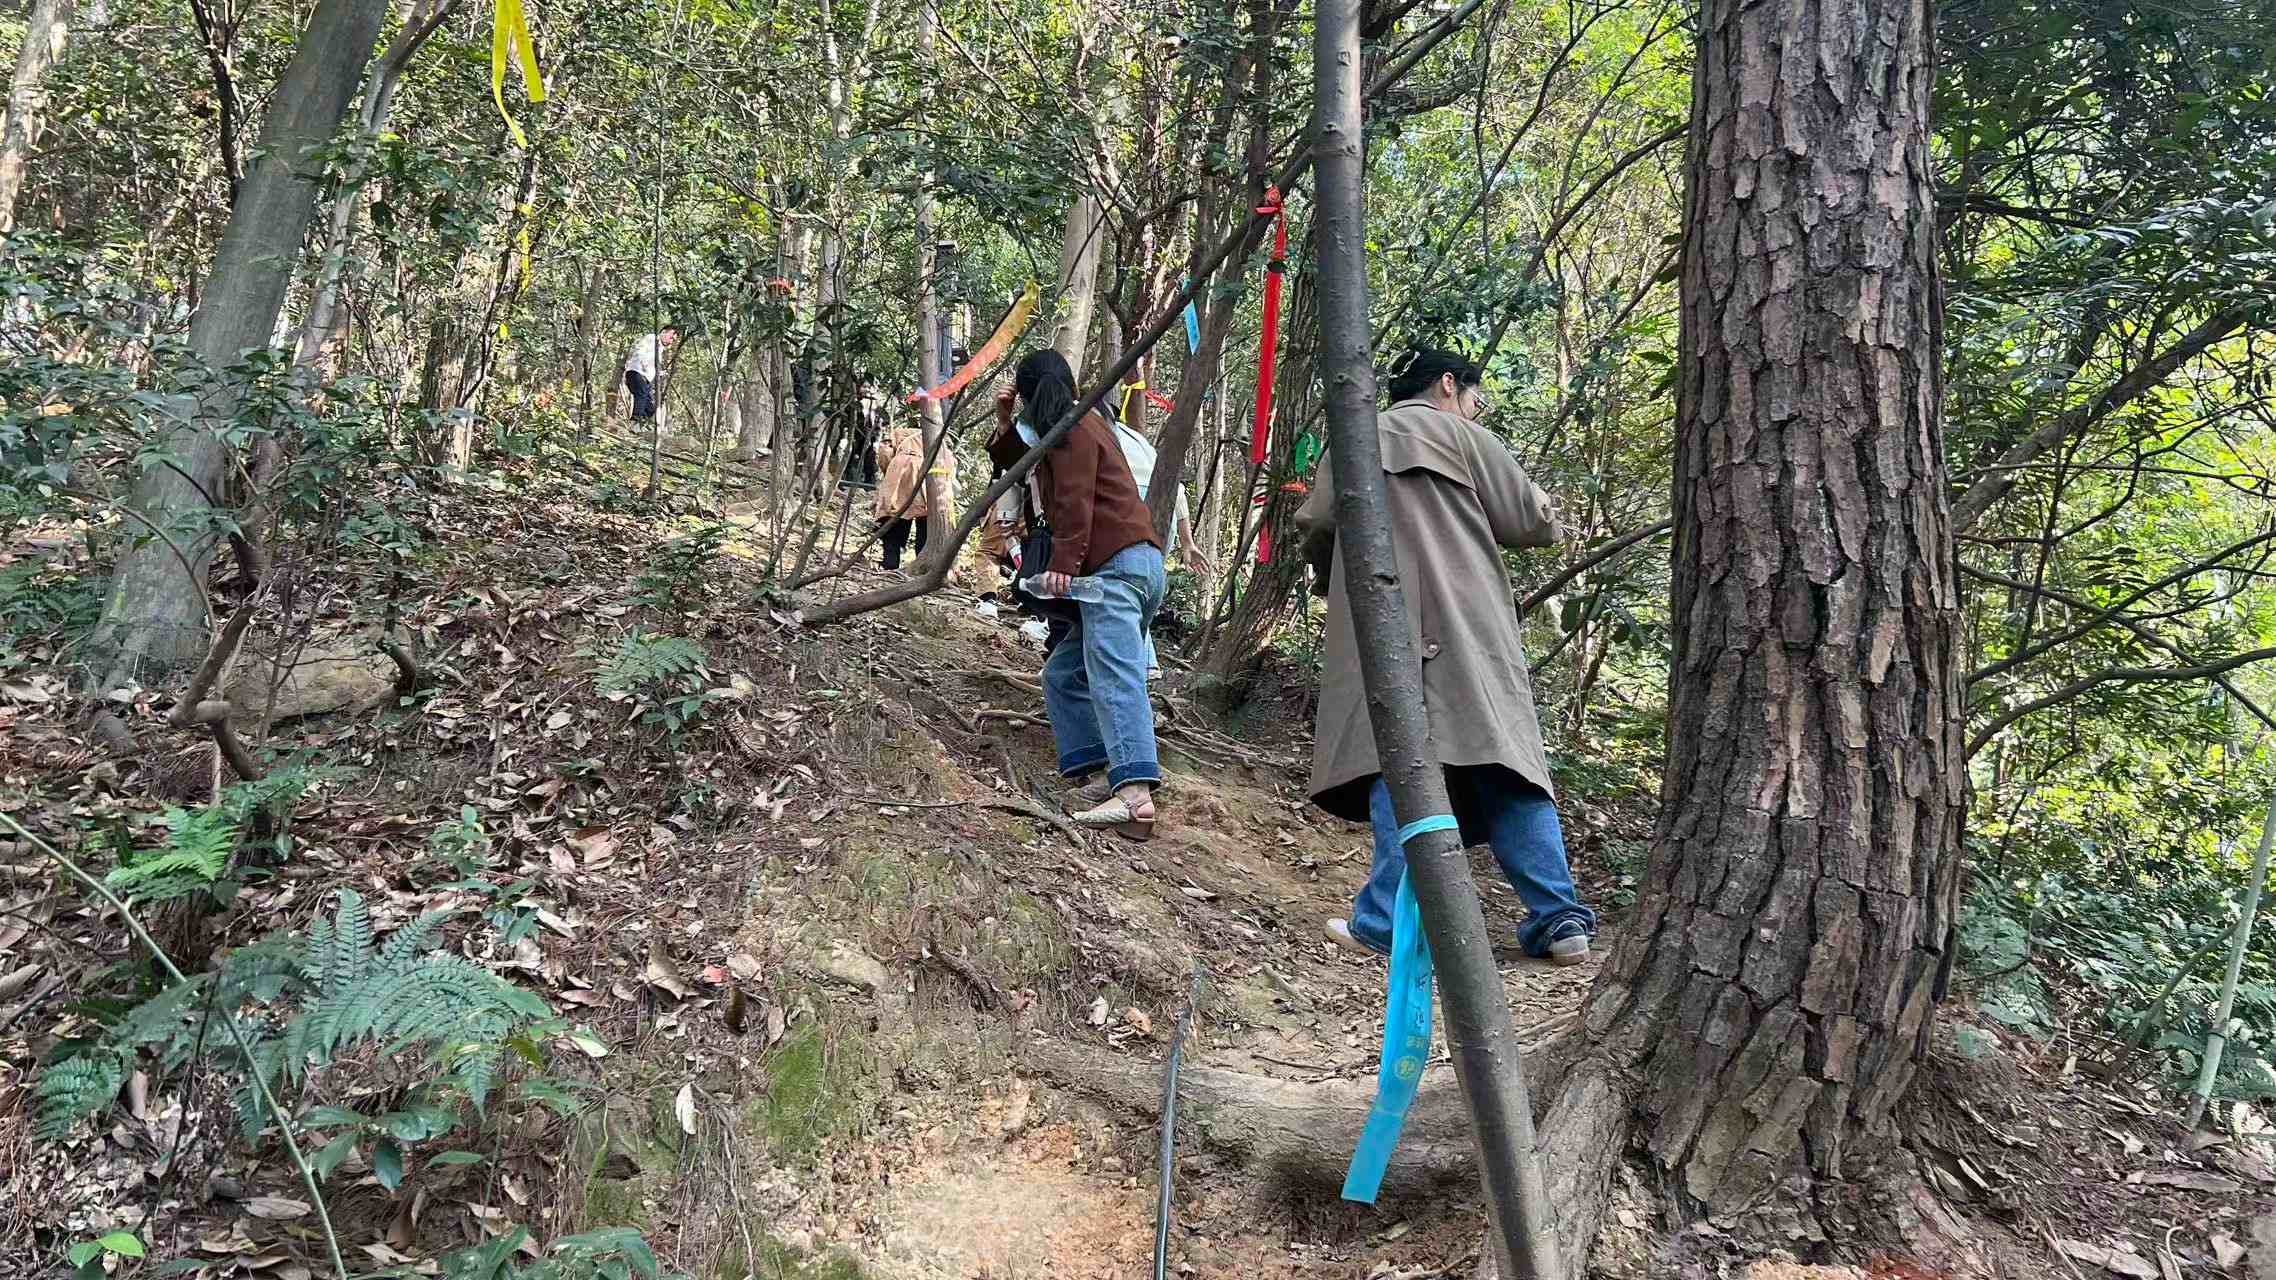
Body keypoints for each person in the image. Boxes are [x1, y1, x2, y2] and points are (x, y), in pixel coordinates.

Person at [1297, 348, 1597, 966]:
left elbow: (1320, 528)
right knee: (1504, 763)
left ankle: (1384, 922)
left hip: (1381, 621)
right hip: (1468, 622)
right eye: (1474, 398)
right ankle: (1560, 921)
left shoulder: (1351, 439)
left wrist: (1339, 579)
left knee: (1397, 760)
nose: (1474, 409)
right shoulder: (1468, 438)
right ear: (1447, 385)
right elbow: (1533, 522)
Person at [989, 349, 1165, 839]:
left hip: (1116, 569)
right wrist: (1004, 421)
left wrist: (1062, 566)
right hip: (1133, 567)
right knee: (1064, 674)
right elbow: (1014, 463)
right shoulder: (1076, 425)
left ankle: (1134, 796)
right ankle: (1102, 772)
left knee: (1115, 675)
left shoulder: (1076, 427)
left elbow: (1074, 501)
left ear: (1026, 394)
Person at [873, 419, 955, 572]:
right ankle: (922, 563)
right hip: (932, 472)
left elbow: (884, 452)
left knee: (895, 515)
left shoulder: (899, 433)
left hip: (901, 470)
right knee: (926, 520)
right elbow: (949, 461)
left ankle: (890, 562)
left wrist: (889, 471)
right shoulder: (941, 437)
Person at [623, 326, 678, 425]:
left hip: (645, 378)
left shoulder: (660, 349)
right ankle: (634, 422)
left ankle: (641, 425)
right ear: (664, 332)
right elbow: (639, 350)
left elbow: (652, 365)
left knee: (650, 408)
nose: (671, 342)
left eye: (673, 340)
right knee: (641, 396)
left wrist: (660, 373)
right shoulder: (652, 338)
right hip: (637, 372)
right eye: (671, 337)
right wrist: (643, 362)